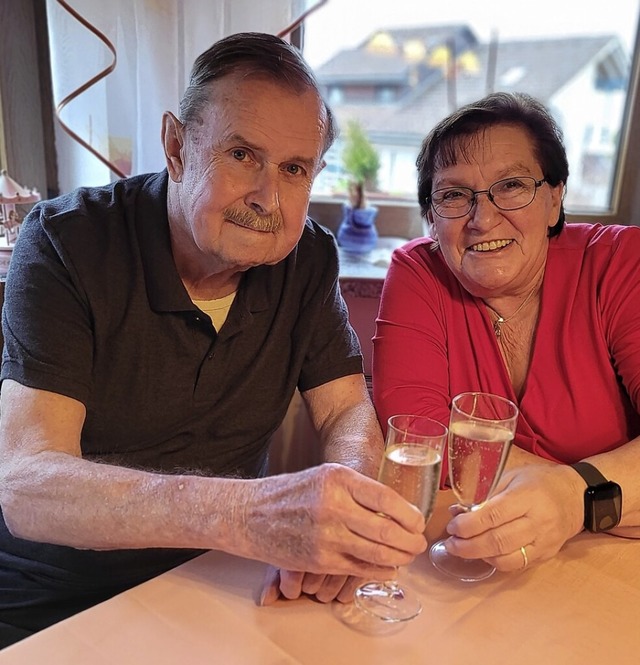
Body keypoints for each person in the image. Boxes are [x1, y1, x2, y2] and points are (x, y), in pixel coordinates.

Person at [0, 32, 428, 648]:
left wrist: (345, 516)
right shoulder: (68, 243)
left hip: (217, 581)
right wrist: (247, 515)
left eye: (293, 168)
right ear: (177, 146)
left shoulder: (307, 259)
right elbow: (25, 485)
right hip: (52, 601)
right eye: (242, 155)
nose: (267, 198)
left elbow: (346, 409)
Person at [373, 91, 640, 576]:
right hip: (489, 557)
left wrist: (574, 499)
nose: (483, 218)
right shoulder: (418, 274)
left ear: (555, 198)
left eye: (511, 185)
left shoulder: (622, 264)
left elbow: (468, 460)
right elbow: (424, 442)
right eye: (453, 195)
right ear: (431, 219)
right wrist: (613, 488)